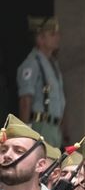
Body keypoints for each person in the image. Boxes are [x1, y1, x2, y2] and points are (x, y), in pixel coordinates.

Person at [16, 17, 65, 146]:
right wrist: (25, 133)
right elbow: (26, 101)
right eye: (52, 34)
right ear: (40, 39)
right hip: (40, 126)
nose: (57, 37)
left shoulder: (52, 64)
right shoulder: (32, 64)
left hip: (54, 128)